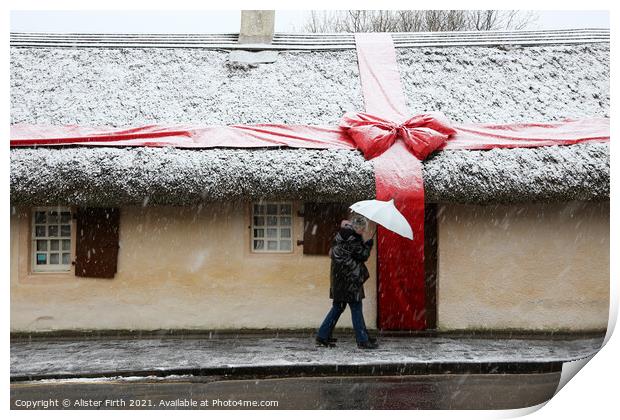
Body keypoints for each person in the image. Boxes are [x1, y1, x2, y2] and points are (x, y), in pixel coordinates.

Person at [315, 214, 378, 349]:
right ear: (357, 227)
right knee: (356, 308)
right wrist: (368, 245)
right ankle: (362, 340)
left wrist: (363, 243)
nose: (364, 232)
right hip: (351, 280)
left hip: (339, 280)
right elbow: (363, 256)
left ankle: (322, 336)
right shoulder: (353, 239)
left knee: (338, 307)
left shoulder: (340, 237)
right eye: (363, 229)